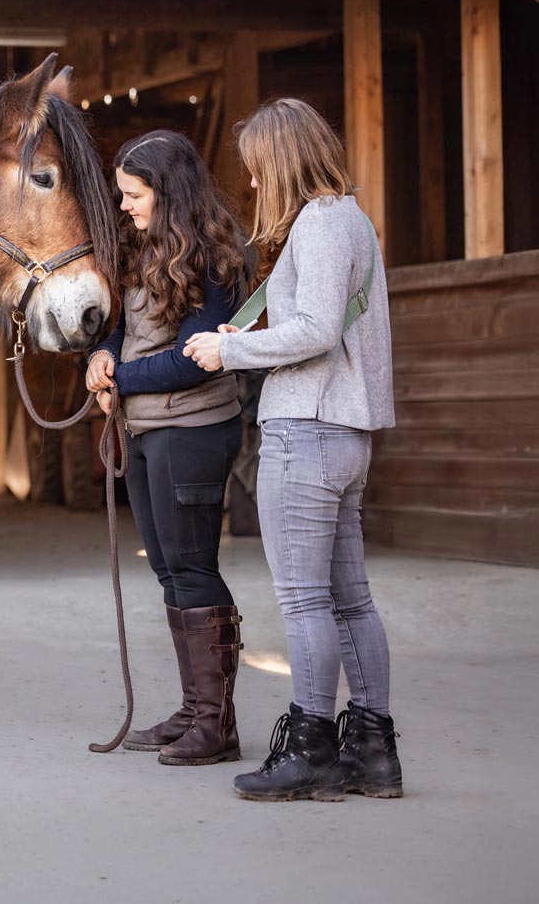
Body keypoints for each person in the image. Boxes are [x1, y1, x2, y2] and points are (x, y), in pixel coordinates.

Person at [185, 98, 402, 802]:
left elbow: (314, 330)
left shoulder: (320, 222)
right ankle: (372, 753)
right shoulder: (350, 220)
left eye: (256, 168)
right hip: (343, 434)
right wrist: (249, 333)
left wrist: (229, 350)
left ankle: (310, 751)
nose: (251, 183)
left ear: (281, 161)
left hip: (306, 432)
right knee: (350, 601)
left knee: (305, 601)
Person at [87, 130, 254, 766]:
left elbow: (194, 359)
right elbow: (123, 328)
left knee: (192, 566)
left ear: (168, 190)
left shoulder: (216, 257)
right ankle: (193, 710)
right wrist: (102, 356)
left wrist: (123, 379)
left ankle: (216, 723)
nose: (124, 205)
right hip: (146, 429)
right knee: (167, 568)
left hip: (194, 429)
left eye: (134, 194)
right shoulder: (142, 246)